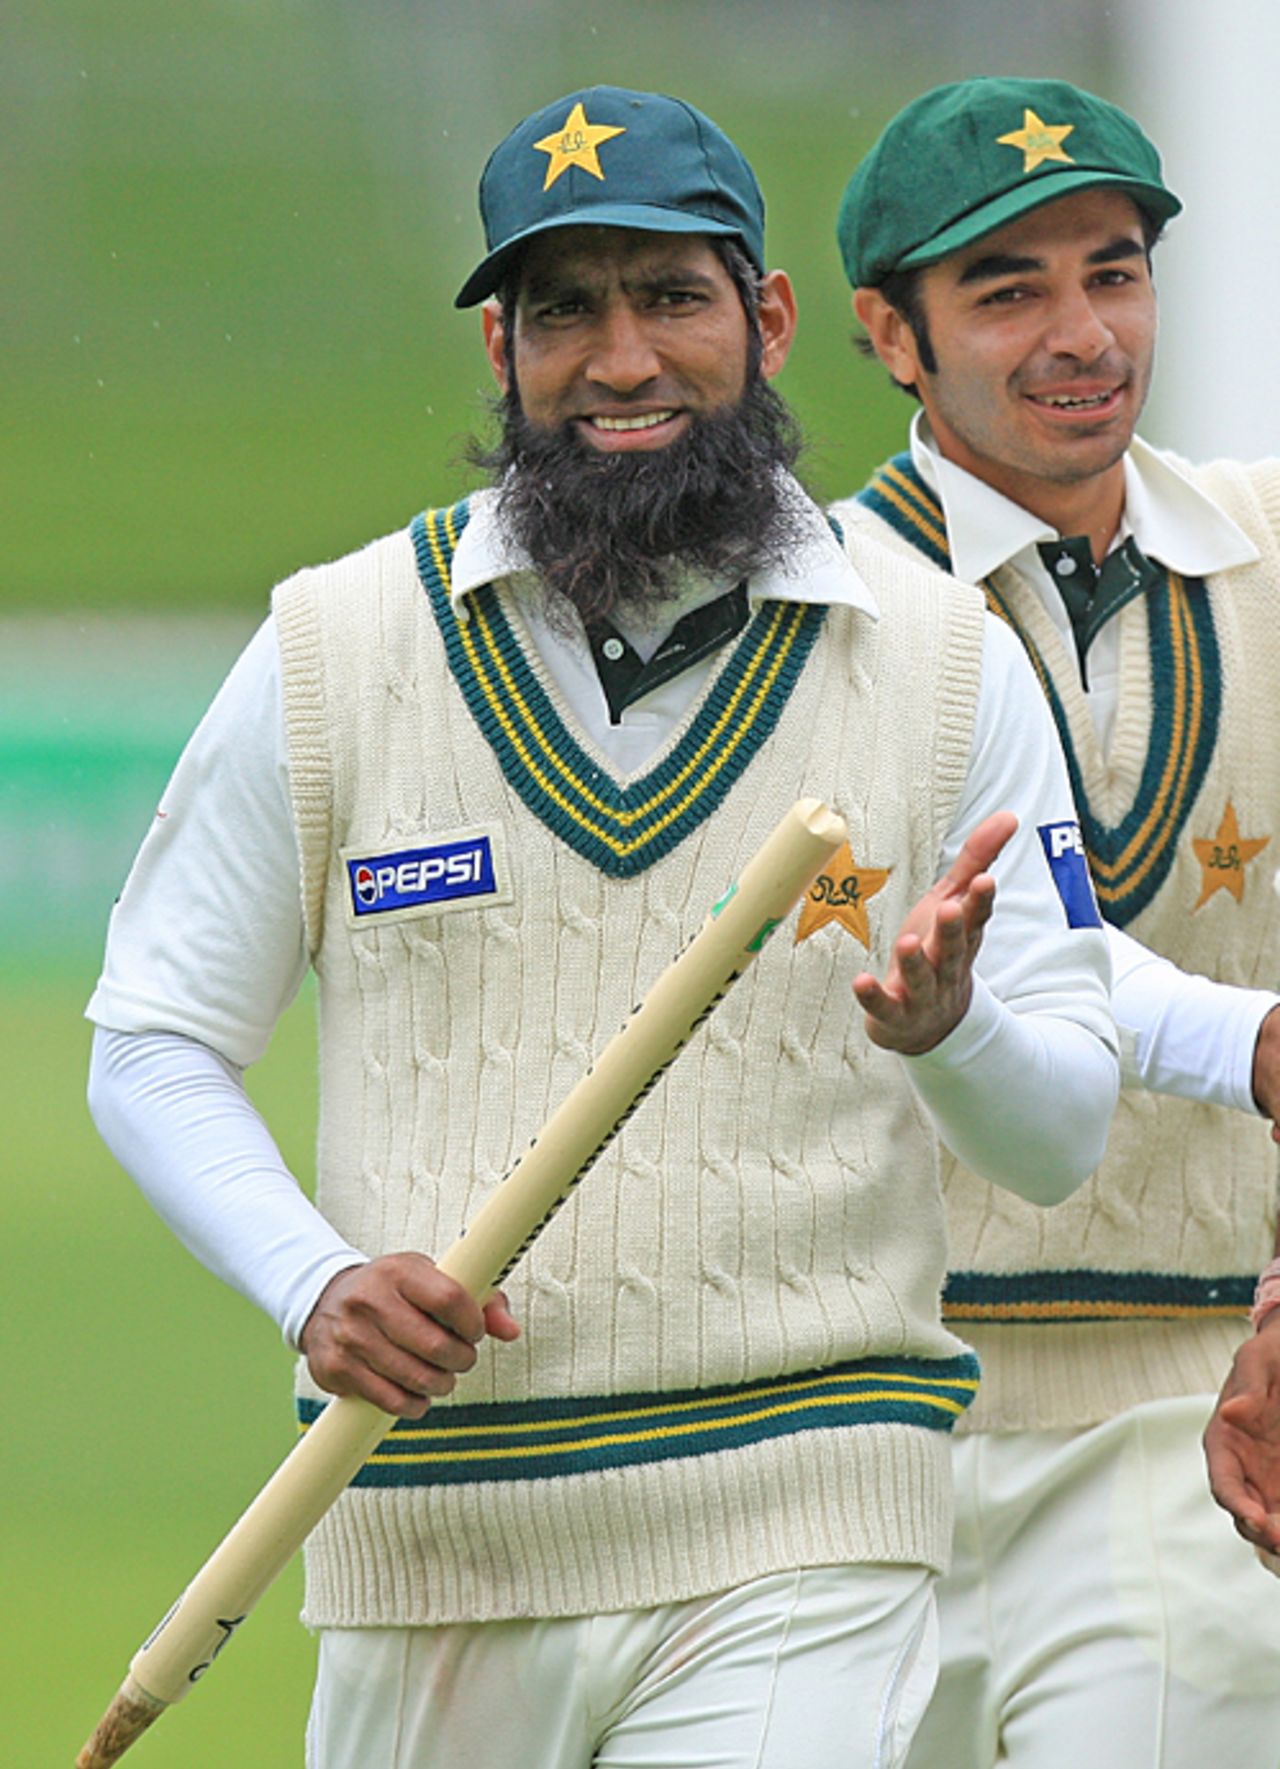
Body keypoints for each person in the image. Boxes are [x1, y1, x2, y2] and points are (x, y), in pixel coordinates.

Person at [85, 86, 1119, 1769]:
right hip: (432, 1536)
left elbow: (1063, 1129)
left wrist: (956, 1035)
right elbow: (152, 1039)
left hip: (801, 1517)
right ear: (503, 344)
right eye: (566, 308)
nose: (621, 360)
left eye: (671, 297)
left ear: (767, 319)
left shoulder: (943, 665)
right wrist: (313, 1278)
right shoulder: (337, 651)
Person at [831, 75, 1280, 1769]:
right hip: (852, 1419)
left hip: (1189, 1408)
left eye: (1113, 270)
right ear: (890, 332)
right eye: (1008, 290)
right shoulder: (802, 603)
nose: (1082, 333)